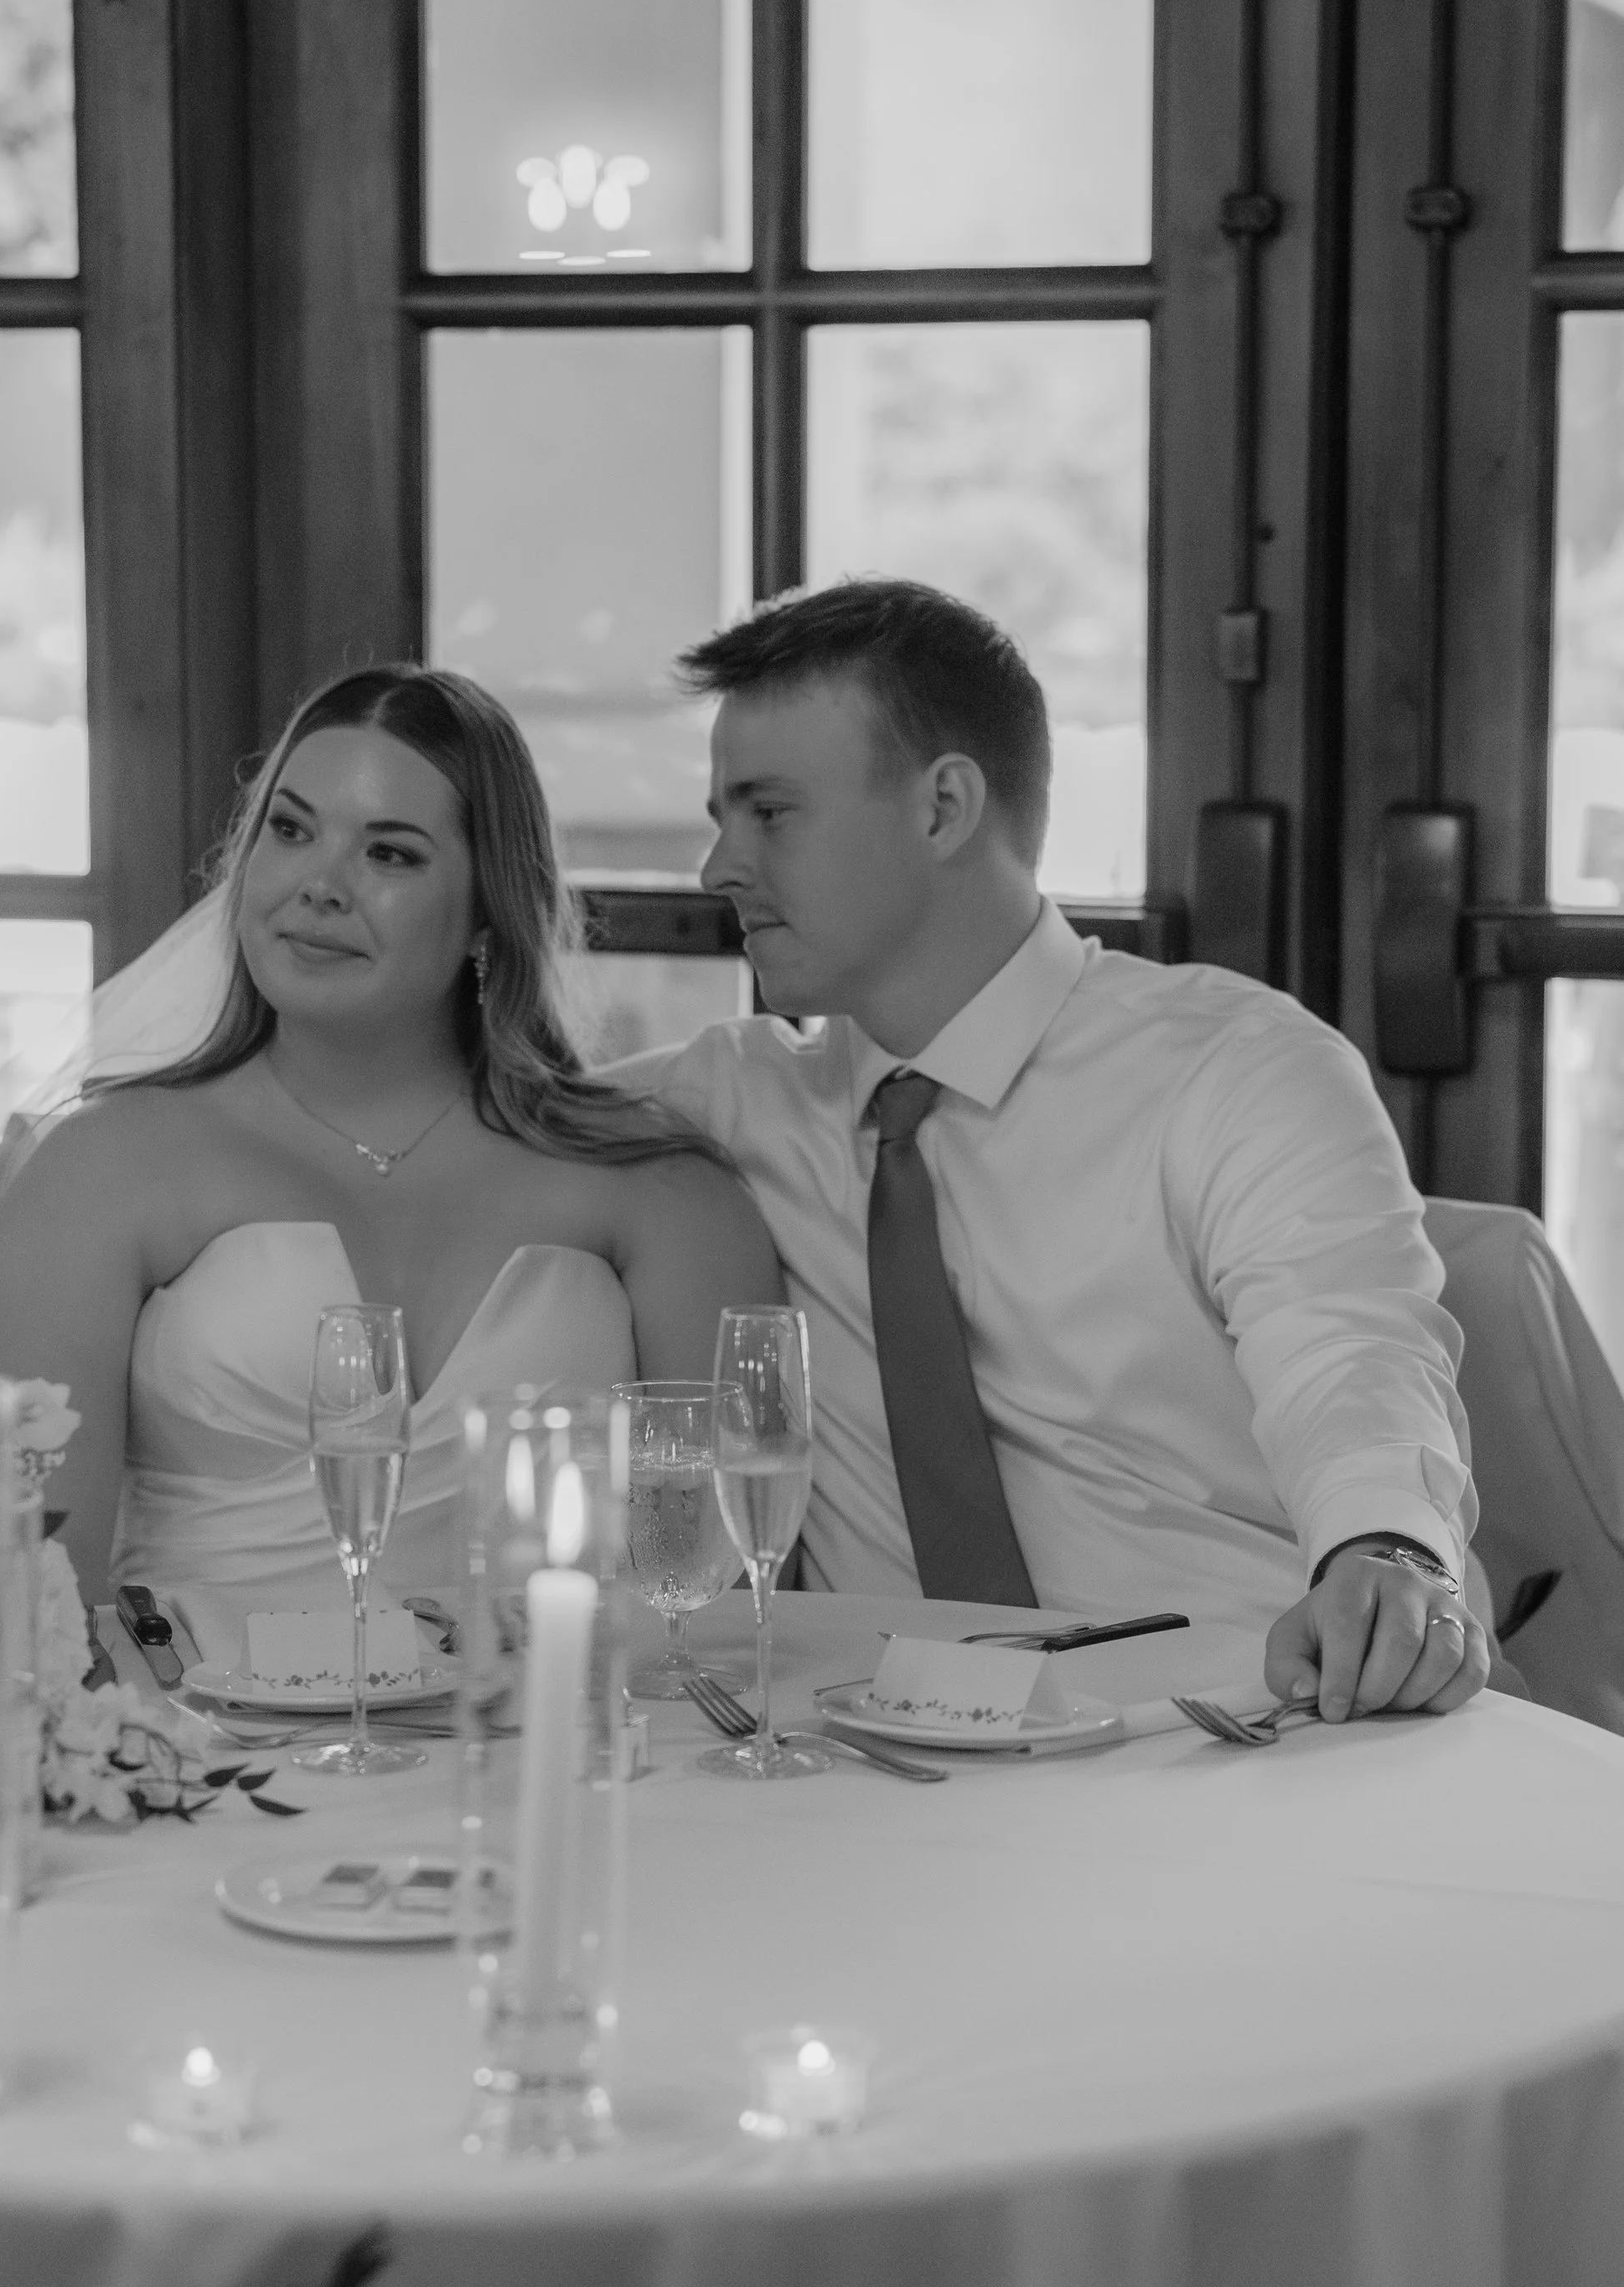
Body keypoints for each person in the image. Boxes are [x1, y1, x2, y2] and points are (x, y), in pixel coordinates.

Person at [628, 577, 1488, 1724]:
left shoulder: (1238, 1070)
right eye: (719, 818)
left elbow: (1351, 1353)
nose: (718, 868)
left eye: (768, 812)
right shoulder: (732, 1103)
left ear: (943, 808)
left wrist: (1385, 1546)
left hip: (1257, 1724)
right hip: (905, 1769)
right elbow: (449, 1113)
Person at [0, 666, 778, 1627]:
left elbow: (712, 1606)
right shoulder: (99, 1172)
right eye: (289, 831)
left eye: (390, 854)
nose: (319, 886)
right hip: (202, 1765)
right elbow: (36, 1615)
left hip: (552, 1755)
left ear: (485, 914)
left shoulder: (658, 1191)